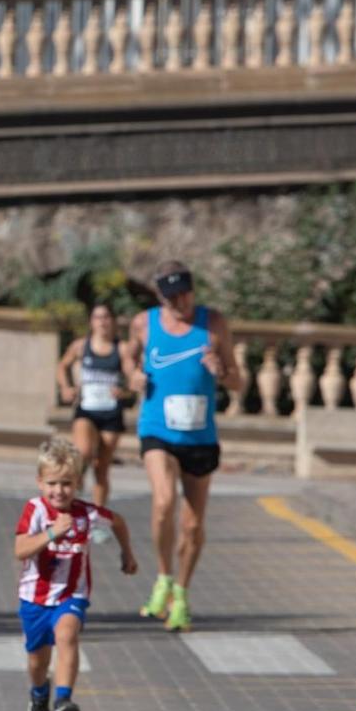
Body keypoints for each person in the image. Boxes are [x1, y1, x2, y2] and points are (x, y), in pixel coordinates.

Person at [124, 260, 239, 635]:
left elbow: (238, 382)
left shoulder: (214, 323)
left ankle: (182, 594)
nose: (181, 302)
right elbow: (129, 359)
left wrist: (221, 370)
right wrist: (133, 377)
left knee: (192, 525)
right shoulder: (144, 324)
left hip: (200, 435)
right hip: (157, 427)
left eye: (186, 294)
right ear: (160, 296)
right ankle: (162, 577)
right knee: (163, 502)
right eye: (172, 297)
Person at [11, 436, 136, 711]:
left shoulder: (87, 514)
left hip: (72, 594)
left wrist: (127, 554)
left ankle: (64, 701)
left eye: (66, 483)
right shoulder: (35, 510)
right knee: (37, 661)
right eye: (52, 483)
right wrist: (52, 533)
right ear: (40, 482)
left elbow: (118, 521)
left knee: (67, 634)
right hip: (35, 598)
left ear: (78, 483)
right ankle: (40, 693)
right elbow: (20, 550)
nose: (59, 491)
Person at [57, 302, 127, 509]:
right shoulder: (81, 346)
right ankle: (71, 504)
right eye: (98, 317)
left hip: (111, 412)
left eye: (106, 317)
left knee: (101, 468)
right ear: (91, 322)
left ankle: (97, 518)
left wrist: (126, 391)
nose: (102, 322)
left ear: (113, 321)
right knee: (83, 453)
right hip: (86, 408)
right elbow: (62, 365)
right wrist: (65, 387)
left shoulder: (121, 349)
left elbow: (135, 376)